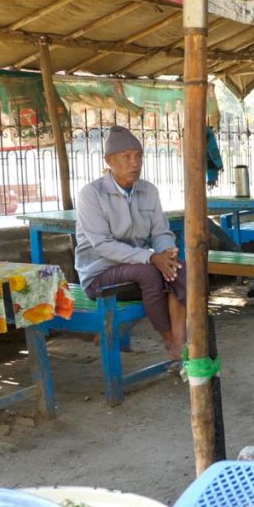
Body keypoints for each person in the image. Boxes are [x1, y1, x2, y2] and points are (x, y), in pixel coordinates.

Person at [75, 125, 187, 364]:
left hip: (136, 267)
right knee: (150, 273)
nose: (134, 163)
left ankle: (180, 342)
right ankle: (168, 339)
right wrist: (150, 257)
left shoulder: (149, 191)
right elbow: (103, 246)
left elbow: (161, 232)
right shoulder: (91, 194)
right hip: (99, 272)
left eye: (138, 156)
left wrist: (166, 252)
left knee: (178, 267)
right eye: (126, 157)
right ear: (109, 160)